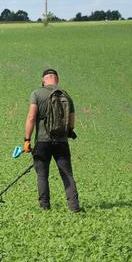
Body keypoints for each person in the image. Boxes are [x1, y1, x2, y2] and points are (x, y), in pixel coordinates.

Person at [24, 68, 81, 211]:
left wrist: (27, 140)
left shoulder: (36, 93)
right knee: (67, 174)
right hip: (61, 142)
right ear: (57, 79)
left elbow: (31, 117)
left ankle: (45, 206)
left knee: (42, 175)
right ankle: (74, 207)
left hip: (42, 142)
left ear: (43, 80)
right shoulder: (66, 96)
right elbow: (72, 122)